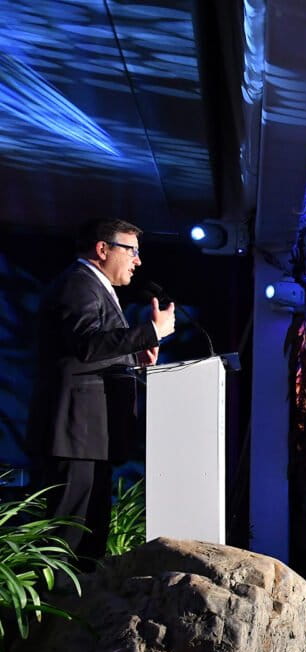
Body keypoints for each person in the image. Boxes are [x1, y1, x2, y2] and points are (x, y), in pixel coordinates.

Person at [28, 218, 174, 567]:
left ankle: (81, 610)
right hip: (76, 434)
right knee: (68, 538)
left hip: (92, 436)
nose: (137, 261)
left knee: (89, 538)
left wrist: (134, 358)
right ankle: (57, 614)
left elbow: (92, 351)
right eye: (132, 251)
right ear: (102, 249)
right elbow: (87, 344)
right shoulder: (79, 284)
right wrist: (151, 331)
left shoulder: (95, 287)